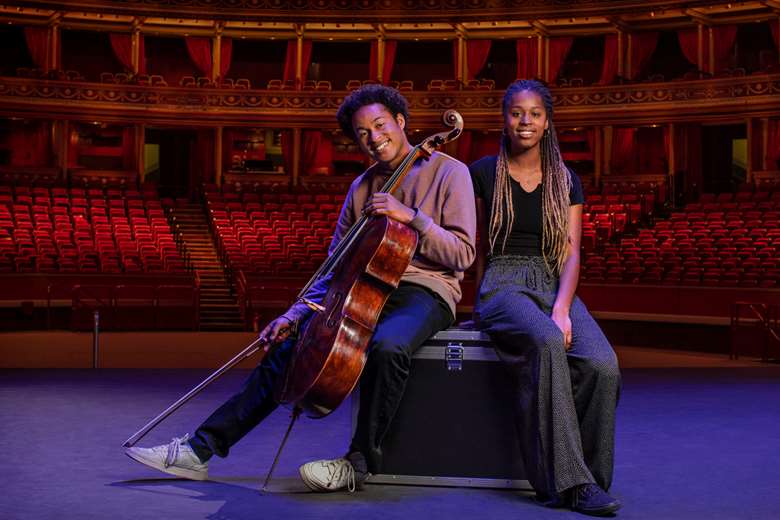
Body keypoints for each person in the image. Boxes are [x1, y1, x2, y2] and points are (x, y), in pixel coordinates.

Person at [125, 84, 477, 492]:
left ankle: (359, 462)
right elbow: (335, 265)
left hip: (426, 290)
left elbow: (463, 254)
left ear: (400, 122)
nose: (374, 137)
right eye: (362, 133)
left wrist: (411, 217)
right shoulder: (362, 188)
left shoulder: (451, 172)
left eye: (380, 125)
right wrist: (293, 316)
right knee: (288, 351)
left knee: (389, 346)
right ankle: (200, 450)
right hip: (363, 288)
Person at [469, 79, 621, 517]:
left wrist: (561, 308)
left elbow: (572, 253)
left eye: (535, 113)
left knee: (602, 365)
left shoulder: (566, 178)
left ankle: (592, 479)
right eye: (517, 112)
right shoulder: (481, 172)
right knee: (549, 342)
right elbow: (479, 245)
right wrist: (475, 306)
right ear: (505, 119)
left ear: (548, 121)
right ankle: (566, 483)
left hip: (553, 281)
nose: (525, 121)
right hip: (503, 280)